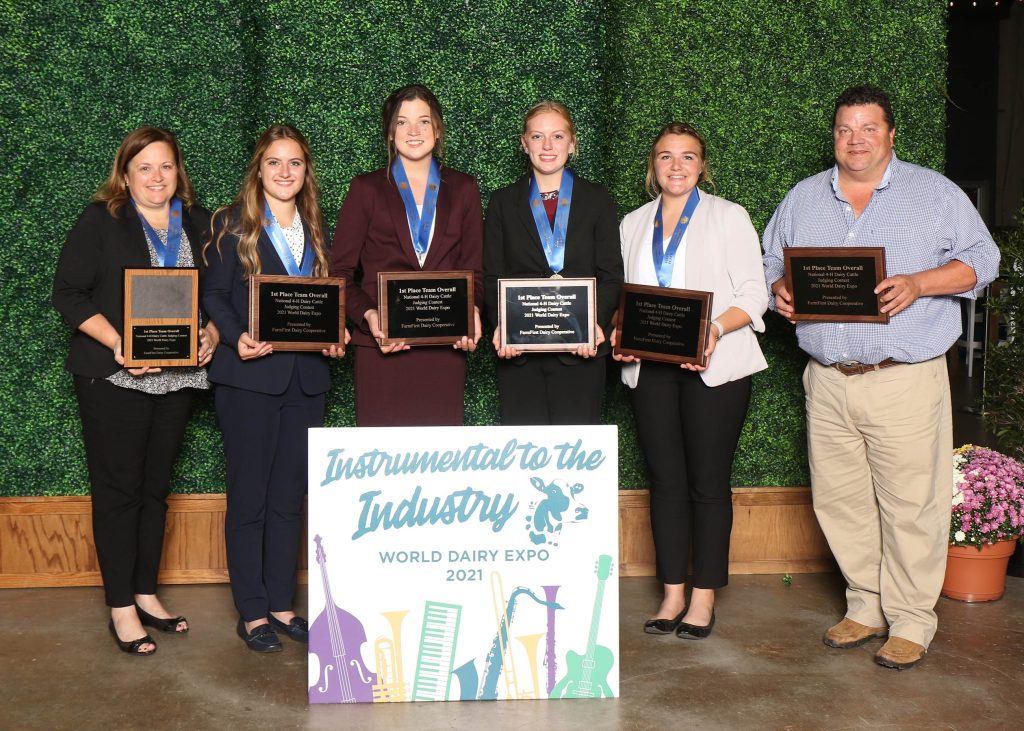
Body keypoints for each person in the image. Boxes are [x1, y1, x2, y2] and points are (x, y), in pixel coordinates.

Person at [763, 85, 1000, 669]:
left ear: (891, 134)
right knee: (841, 501)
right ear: (834, 136)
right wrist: (779, 292)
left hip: (904, 377)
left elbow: (984, 260)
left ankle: (913, 618)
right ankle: (864, 605)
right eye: (845, 129)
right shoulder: (804, 197)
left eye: (868, 128)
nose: (856, 140)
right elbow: (771, 261)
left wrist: (919, 283)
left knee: (910, 504)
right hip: (828, 378)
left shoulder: (934, 193)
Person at [52, 127, 220, 655]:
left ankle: (146, 593)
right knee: (119, 492)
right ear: (124, 174)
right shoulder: (101, 220)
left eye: (166, 167)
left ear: (179, 173)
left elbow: (219, 294)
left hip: (176, 376)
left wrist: (212, 333)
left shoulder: (195, 221)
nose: (156, 177)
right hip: (114, 374)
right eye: (144, 167)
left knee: (153, 489)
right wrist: (120, 343)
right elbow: (69, 294)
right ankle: (121, 607)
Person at [612, 123, 768, 638]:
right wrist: (618, 329)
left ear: (703, 166)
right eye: (665, 157)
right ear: (652, 166)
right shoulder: (632, 223)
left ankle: (703, 599)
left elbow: (754, 294)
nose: (676, 166)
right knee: (665, 483)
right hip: (650, 369)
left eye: (687, 157)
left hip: (715, 370)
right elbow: (627, 298)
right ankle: (671, 594)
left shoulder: (729, 216)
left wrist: (714, 330)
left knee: (707, 484)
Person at [203, 124, 346, 653]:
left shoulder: (314, 226)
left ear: (306, 172)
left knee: (290, 497)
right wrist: (236, 337)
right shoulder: (229, 224)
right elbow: (215, 295)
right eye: (274, 163)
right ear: (258, 170)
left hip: (305, 379)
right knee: (250, 497)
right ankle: (252, 611)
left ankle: (283, 604)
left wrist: (335, 337)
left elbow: (322, 303)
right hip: (248, 379)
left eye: (295, 163)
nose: (285, 172)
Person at [331, 84, 483, 426]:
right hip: (382, 351)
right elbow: (338, 272)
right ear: (389, 133)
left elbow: (474, 270)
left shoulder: (464, 189)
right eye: (402, 122)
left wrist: (472, 308)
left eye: (424, 122)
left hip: (444, 350)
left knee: (439, 464)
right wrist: (369, 316)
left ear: (438, 129)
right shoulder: (366, 189)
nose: (414, 131)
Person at [483, 101, 623, 425]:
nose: (547, 146)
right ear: (524, 143)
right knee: (525, 452)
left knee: (576, 456)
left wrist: (593, 326)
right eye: (537, 136)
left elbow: (611, 275)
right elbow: (492, 276)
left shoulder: (598, 199)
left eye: (558, 136)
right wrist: (502, 328)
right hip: (519, 355)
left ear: (572, 143)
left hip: (582, 352)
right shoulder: (502, 202)